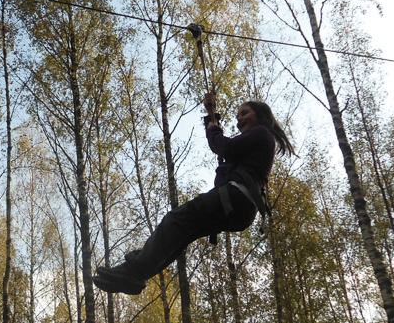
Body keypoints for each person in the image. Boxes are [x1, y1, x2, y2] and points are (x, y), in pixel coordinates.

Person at [93, 92, 294, 295]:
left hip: (235, 197)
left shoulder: (261, 132)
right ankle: (136, 275)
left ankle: (134, 269)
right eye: (238, 115)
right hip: (241, 208)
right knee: (181, 234)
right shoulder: (256, 142)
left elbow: (225, 147)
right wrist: (211, 116)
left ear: (260, 115)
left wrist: (213, 128)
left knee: (175, 219)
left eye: (245, 113)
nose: (239, 118)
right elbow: (222, 145)